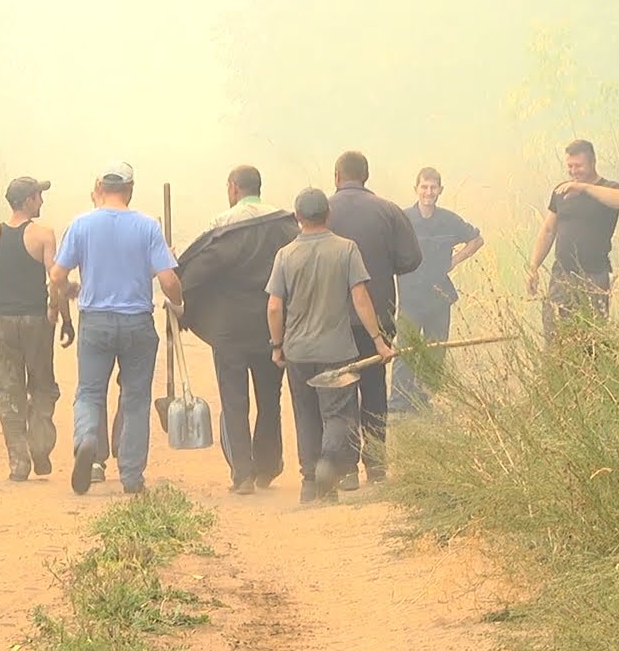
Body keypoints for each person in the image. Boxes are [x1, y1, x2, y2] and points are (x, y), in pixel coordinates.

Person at [49, 161, 184, 496]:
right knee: (136, 398)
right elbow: (168, 280)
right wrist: (178, 304)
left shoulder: (81, 224)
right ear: (130, 189)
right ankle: (132, 476)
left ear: (100, 187)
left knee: (89, 393)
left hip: (95, 322)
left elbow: (56, 275)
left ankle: (87, 440)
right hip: (137, 322)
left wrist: (67, 290)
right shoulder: (148, 226)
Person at [266, 187, 397, 504]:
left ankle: (310, 482)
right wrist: (378, 341)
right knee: (338, 415)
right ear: (328, 214)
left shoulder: (285, 255)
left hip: (298, 352)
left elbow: (274, 307)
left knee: (306, 414)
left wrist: (277, 345)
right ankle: (328, 464)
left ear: (297, 217)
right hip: (337, 351)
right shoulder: (346, 249)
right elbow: (361, 299)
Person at [175, 165, 299, 494]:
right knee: (270, 398)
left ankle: (242, 473)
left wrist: (184, 309)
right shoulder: (285, 224)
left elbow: (194, 273)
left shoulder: (223, 227)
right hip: (272, 327)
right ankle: (268, 467)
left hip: (229, 331)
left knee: (234, 400)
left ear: (233, 188)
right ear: (259, 187)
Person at [326, 151, 422, 488]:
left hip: (333, 319)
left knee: (342, 391)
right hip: (378, 316)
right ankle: (377, 465)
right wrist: (380, 265)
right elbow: (411, 259)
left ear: (337, 176)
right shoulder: (389, 211)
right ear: (366, 176)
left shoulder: (323, 211)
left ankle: (348, 468)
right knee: (374, 388)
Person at [0, 176, 75, 482]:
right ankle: (39, 447)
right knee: (42, 386)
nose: (42, 201)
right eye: (39, 196)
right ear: (28, 200)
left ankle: (19, 462)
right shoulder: (43, 235)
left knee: (8, 390)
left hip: (3, 322)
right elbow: (56, 281)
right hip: (36, 321)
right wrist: (64, 318)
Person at [390, 167, 484, 413]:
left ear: (440, 190)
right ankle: (399, 402)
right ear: (416, 189)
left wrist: (455, 260)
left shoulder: (449, 220)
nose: (428, 192)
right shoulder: (403, 219)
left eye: (433, 187)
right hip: (410, 296)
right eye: (424, 187)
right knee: (405, 349)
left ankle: (424, 400)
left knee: (435, 350)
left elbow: (477, 240)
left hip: (439, 296)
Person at [525, 139, 619, 340]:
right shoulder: (561, 191)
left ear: (592, 162)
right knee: (555, 333)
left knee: (593, 335)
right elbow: (548, 230)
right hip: (562, 274)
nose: (573, 171)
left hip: (595, 274)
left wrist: (583, 188)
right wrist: (533, 267)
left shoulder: (609, 188)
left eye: (578, 166)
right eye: (570, 166)